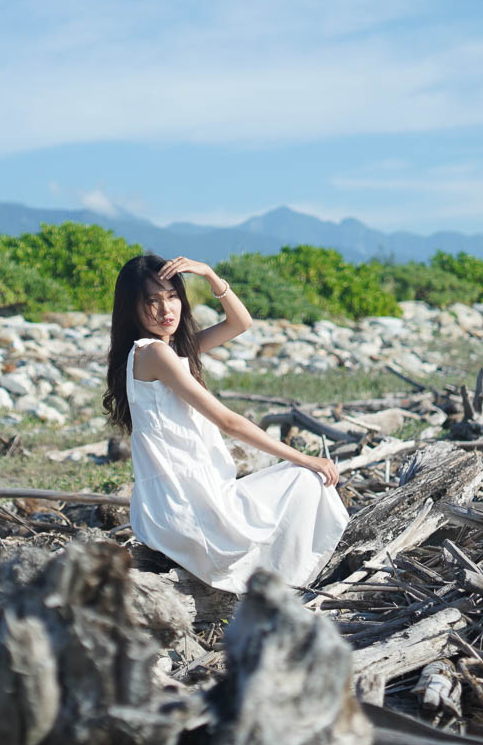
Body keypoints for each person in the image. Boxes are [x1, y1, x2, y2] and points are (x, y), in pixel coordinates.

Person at [102, 252, 349, 594]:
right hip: (186, 507)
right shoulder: (154, 354)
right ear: (132, 308)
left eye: (172, 296)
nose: (166, 310)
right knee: (306, 478)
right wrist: (304, 457)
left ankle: (281, 584)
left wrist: (209, 274)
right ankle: (291, 586)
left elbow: (241, 323)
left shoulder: (168, 351)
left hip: (177, 504)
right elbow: (227, 421)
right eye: (152, 301)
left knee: (297, 485)